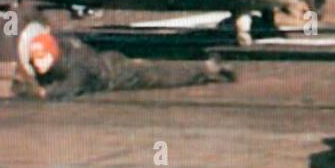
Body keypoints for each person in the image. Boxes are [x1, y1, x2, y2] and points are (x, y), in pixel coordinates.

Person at [16, 23, 234, 100]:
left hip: (115, 74)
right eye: (35, 61)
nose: (38, 64)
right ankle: (206, 68)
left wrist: (44, 94)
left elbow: (73, 85)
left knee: (161, 75)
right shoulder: (60, 46)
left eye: (41, 58)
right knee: (154, 70)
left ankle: (206, 68)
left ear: (52, 54)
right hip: (107, 60)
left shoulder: (75, 65)